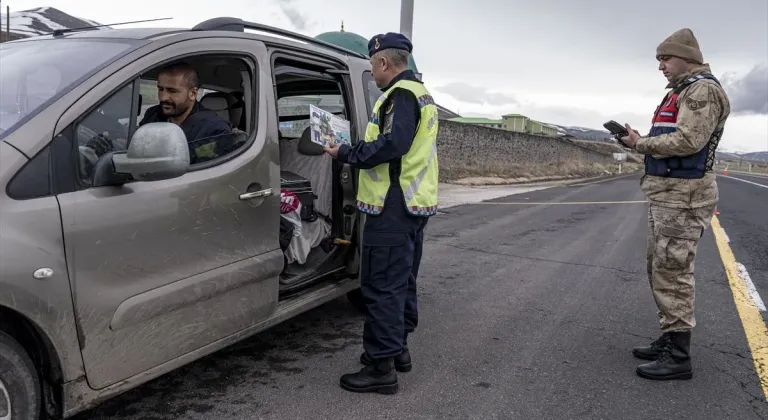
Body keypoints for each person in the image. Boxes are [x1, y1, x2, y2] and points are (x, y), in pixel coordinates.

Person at [323, 32, 439, 394]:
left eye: (373, 65)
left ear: (384, 62)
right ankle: (398, 350)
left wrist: (345, 153)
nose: (372, 72)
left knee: (381, 287)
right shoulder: (421, 93)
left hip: (391, 206)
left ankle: (380, 368)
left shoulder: (400, 96)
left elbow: (392, 144)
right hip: (410, 203)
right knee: (401, 281)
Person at [618, 28, 731, 381]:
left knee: (673, 272)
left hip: (684, 198)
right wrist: (640, 142)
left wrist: (640, 145)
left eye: (665, 58)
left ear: (687, 57)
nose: (661, 67)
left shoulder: (702, 91)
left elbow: (689, 140)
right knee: (661, 267)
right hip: (670, 196)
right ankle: (669, 339)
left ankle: (679, 356)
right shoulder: (685, 90)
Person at [138, 62, 234, 163]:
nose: (163, 97)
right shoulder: (152, 115)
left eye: (172, 91)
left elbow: (208, 173)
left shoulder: (215, 130)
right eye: (160, 89)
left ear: (193, 93)